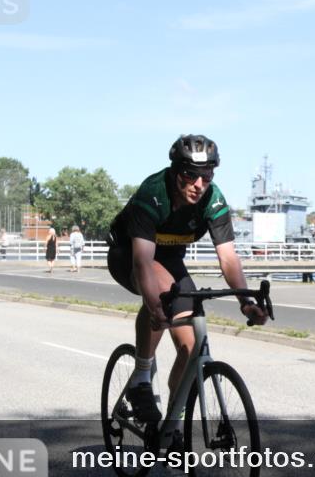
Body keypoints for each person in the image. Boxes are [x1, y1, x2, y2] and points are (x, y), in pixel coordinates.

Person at [106, 134, 268, 428]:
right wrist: (154, 306)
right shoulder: (153, 193)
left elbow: (228, 258)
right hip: (128, 254)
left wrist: (246, 302)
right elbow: (143, 262)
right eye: (190, 175)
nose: (199, 184)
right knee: (161, 295)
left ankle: (174, 421)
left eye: (207, 176)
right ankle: (141, 377)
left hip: (169, 260)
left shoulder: (212, 199)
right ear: (175, 171)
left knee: (192, 348)